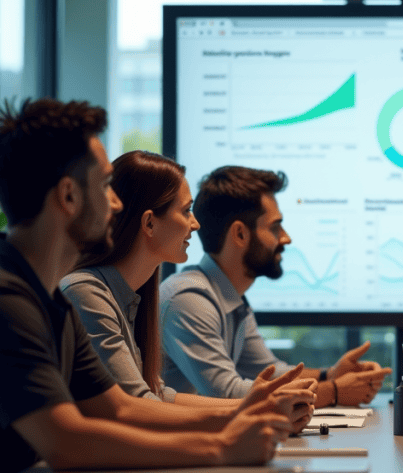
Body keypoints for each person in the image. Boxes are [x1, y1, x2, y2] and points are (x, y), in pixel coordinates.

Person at [0, 99, 294, 473]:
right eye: (105, 186)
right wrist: (221, 447)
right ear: (69, 195)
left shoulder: (49, 300)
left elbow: (119, 408)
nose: (118, 203)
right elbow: (67, 443)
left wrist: (243, 413)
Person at [60, 151, 314, 432]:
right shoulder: (86, 293)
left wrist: (257, 405)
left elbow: (157, 393)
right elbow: (135, 404)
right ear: (149, 223)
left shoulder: (130, 296)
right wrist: (252, 414)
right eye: (185, 211)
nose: (195, 224)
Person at [160, 165, 392, 406]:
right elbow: (226, 393)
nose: (286, 238)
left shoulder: (230, 298)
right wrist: (332, 391)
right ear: (240, 234)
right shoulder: (188, 299)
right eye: (274, 227)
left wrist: (331, 374)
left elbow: (269, 372)